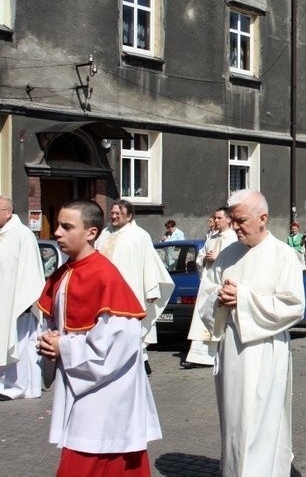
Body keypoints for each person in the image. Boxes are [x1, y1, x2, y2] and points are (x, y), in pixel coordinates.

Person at [36, 199, 161, 475]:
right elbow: (52, 323)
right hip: (80, 382)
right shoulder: (62, 274)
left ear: (91, 233)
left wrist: (63, 347)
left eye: (67, 227)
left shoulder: (106, 277)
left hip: (107, 393)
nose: (57, 232)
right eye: (58, 225)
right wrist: (48, 341)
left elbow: (120, 344)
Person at [197, 189, 305, 476]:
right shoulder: (226, 254)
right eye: (232, 219)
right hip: (232, 349)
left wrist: (243, 299)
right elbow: (206, 295)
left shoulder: (284, 256)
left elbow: (293, 306)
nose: (234, 226)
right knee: (235, 423)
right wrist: (219, 299)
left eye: (241, 220)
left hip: (266, 351)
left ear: (263, 218)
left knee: (261, 423)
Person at [95, 200, 174, 374]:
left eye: (118, 214)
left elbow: (149, 263)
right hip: (103, 293)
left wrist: (151, 290)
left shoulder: (139, 235)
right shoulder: (104, 233)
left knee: (130, 331)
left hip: (129, 291)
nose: (113, 216)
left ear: (129, 216)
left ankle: (140, 365)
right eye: (112, 213)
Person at [0, 195, 45, 401]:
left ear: (8, 212)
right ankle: (4, 384)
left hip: (19, 303)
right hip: (3, 300)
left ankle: (17, 387)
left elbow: (31, 270)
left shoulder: (23, 235)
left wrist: (27, 300)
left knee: (20, 345)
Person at [183, 207, 238, 368]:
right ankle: (198, 357)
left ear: (228, 219)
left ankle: (215, 356)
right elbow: (200, 257)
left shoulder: (233, 238)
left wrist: (218, 257)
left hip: (220, 285)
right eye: (215, 218)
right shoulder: (211, 237)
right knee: (201, 319)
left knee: (217, 320)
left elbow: (235, 261)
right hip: (207, 284)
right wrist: (205, 259)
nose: (216, 221)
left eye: (219, 218)